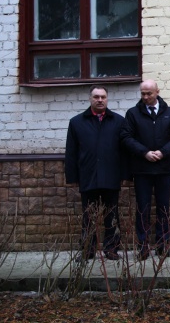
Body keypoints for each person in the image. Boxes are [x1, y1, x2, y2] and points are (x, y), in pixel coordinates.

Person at [121, 79, 170, 260]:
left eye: (149, 93)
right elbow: (126, 137)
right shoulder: (133, 114)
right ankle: (143, 247)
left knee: (163, 209)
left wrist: (163, 152)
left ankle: (163, 245)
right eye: (143, 94)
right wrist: (144, 153)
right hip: (142, 169)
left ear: (157, 92)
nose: (145, 97)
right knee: (143, 209)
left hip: (164, 168)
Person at [65, 85, 129, 262]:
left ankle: (112, 249)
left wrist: (125, 175)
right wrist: (72, 177)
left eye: (103, 97)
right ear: (90, 99)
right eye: (96, 97)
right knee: (88, 216)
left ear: (107, 99)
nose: (100, 100)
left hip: (111, 175)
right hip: (88, 175)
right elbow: (71, 152)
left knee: (111, 214)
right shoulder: (76, 122)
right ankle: (88, 249)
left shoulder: (118, 121)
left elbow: (124, 151)